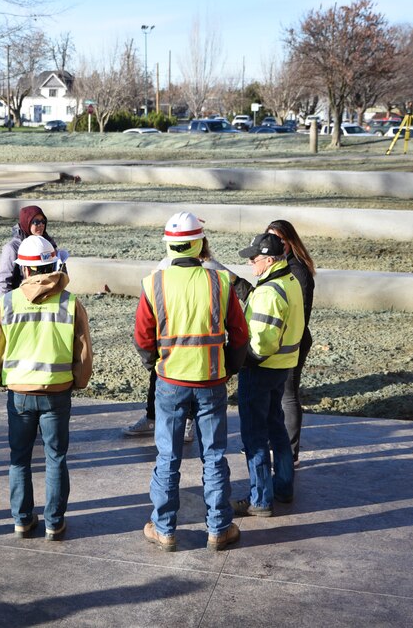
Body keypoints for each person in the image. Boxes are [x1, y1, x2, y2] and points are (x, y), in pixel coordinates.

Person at [136, 211, 250, 552]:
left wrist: (154, 364)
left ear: (169, 245)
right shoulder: (220, 283)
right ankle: (219, 528)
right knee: (214, 456)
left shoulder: (154, 282)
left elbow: (143, 338)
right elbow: (240, 336)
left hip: (170, 381)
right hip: (211, 381)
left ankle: (165, 529)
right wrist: (227, 368)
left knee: (168, 457)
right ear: (200, 243)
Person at [0, 235, 93, 541]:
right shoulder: (71, 303)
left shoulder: (7, 302)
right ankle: (54, 522)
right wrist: (80, 380)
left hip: (19, 394)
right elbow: (83, 352)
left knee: (19, 457)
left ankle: (22, 520)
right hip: (57, 393)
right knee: (56, 457)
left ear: (25, 270)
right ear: (52, 264)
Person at [123, 236, 226, 442]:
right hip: (182, 362)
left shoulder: (214, 273)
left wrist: (151, 360)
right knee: (213, 451)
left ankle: (186, 421)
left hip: (192, 364)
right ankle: (154, 417)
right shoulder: (164, 269)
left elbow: (142, 332)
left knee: (168, 452)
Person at [231, 232, 305, 519]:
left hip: (261, 370)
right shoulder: (290, 281)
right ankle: (284, 487)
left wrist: (241, 362)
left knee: (254, 436)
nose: (250, 262)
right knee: (276, 428)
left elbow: (262, 343)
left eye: (254, 258)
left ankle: (260, 499)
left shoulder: (268, 293)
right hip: (283, 367)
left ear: (270, 259)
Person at [266, 220, 315, 466]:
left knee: (288, 394)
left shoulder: (297, 271)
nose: (273, 245)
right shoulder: (282, 267)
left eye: (278, 240)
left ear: (289, 242)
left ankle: (289, 452)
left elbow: (299, 315)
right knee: (278, 394)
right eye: (269, 239)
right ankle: (276, 443)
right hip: (281, 342)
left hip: (292, 343)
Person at [0, 205, 58, 295]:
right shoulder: (12, 248)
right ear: (26, 222)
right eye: (36, 222)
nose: (41, 225)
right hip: (22, 299)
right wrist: (7, 305)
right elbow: (4, 282)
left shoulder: (48, 243)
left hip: (46, 296)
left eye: (43, 221)